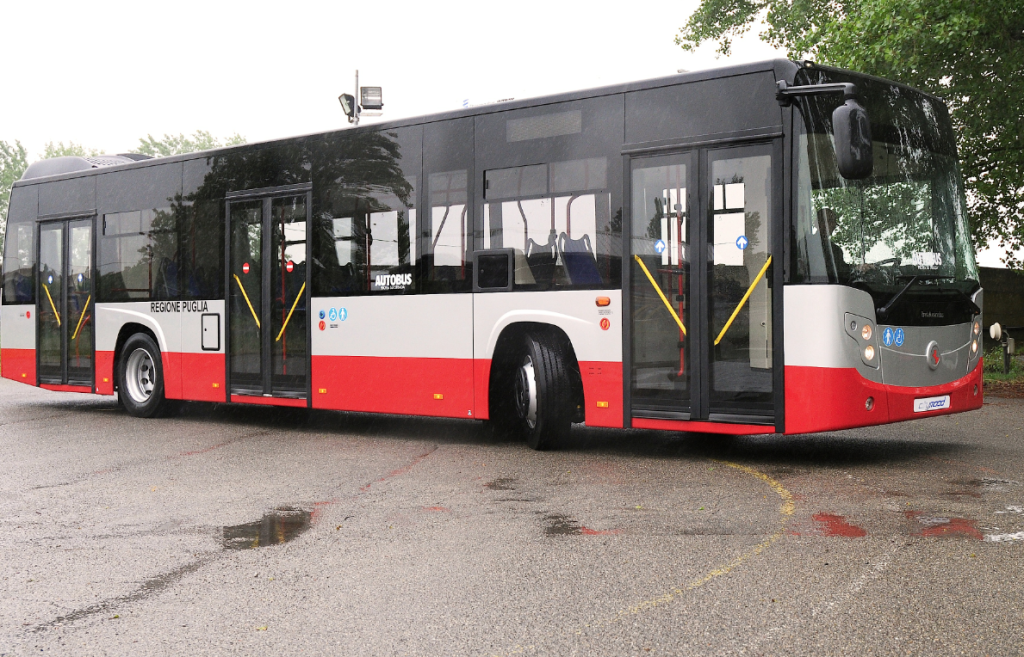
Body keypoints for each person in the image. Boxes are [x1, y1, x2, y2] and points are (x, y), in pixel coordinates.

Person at [816, 207, 852, 280]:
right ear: (817, 223)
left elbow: (844, 272)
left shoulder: (836, 250)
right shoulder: (808, 245)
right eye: (828, 221)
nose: (832, 225)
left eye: (834, 222)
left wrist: (859, 268)